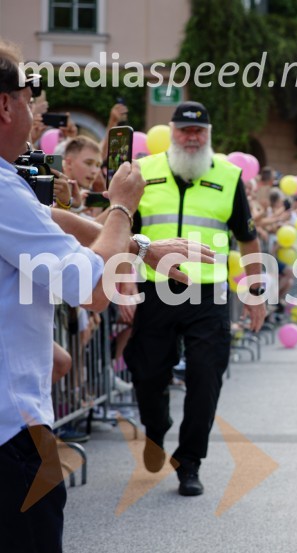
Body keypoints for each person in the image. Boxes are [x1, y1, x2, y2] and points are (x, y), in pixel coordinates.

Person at [0, 39, 208, 552]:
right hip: (11, 435)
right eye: (31, 95)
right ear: (5, 104)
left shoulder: (11, 187)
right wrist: (120, 208)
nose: (35, 109)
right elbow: (93, 289)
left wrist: (137, 245)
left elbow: (48, 219)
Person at [120, 101, 266, 497]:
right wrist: (122, 283)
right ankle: (155, 427)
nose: (191, 137)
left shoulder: (229, 175)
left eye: (199, 131)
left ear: (209, 135)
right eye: (184, 130)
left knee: (206, 377)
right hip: (155, 288)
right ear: (171, 132)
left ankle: (189, 462)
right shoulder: (143, 172)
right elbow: (120, 230)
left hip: (209, 292)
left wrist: (255, 291)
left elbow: (248, 237)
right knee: (147, 373)